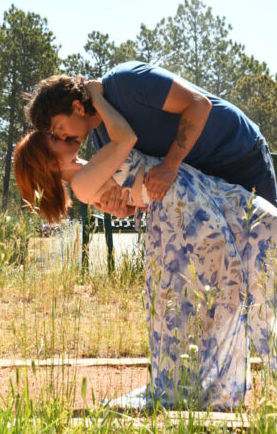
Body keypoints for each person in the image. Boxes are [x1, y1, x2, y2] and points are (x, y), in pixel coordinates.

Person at [15, 81, 277, 410]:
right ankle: (217, 389)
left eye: (56, 131)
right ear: (49, 163)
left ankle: (219, 385)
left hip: (197, 189)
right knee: (225, 285)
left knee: (269, 230)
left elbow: (125, 200)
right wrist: (96, 95)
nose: (63, 137)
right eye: (53, 139)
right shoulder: (82, 184)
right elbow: (126, 139)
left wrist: (124, 200)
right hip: (180, 205)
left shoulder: (89, 167)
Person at [25, 61, 277, 214]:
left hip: (239, 153)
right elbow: (146, 195)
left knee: (271, 250)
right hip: (206, 183)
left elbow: (199, 105)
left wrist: (170, 165)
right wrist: (124, 209)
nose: (62, 137)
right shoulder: (104, 140)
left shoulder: (126, 81)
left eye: (59, 127)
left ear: (78, 107)